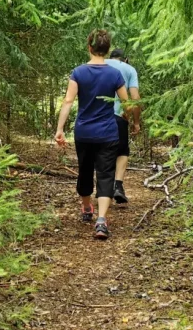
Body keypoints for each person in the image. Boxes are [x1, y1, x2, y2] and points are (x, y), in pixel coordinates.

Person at [55, 29, 130, 240]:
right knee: (106, 174)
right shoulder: (115, 74)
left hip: (84, 132)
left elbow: (68, 101)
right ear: (106, 50)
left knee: (85, 170)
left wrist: (60, 130)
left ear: (89, 48)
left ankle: (87, 208)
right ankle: (101, 220)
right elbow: (127, 103)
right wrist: (129, 117)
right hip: (107, 133)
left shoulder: (78, 73)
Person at [104, 49, 141, 204]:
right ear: (125, 59)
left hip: (97, 117)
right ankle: (118, 185)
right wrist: (136, 121)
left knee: (102, 151)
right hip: (119, 116)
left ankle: (104, 190)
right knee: (122, 150)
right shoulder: (129, 69)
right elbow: (135, 98)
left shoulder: (100, 64)